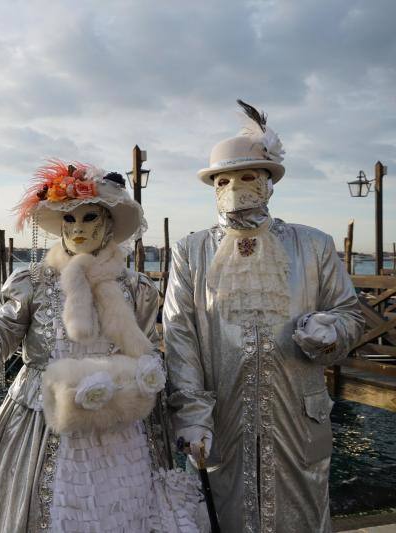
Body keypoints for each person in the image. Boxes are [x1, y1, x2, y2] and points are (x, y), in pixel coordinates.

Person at [0, 160, 204, 532]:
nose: (79, 228)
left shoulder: (137, 290)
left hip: (122, 430)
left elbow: (146, 358)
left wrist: (189, 419)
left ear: (109, 224)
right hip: (42, 421)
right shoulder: (32, 283)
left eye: (90, 218)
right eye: (70, 219)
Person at [163, 100, 365, 532]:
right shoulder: (191, 251)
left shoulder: (313, 245)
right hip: (224, 419)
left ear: (269, 181)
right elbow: (180, 335)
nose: (234, 186)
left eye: (247, 175)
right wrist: (193, 414)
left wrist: (328, 332)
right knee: (227, 513)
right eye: (222, 179)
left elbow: (350, 314)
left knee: (303, 516)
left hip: (298, 415)